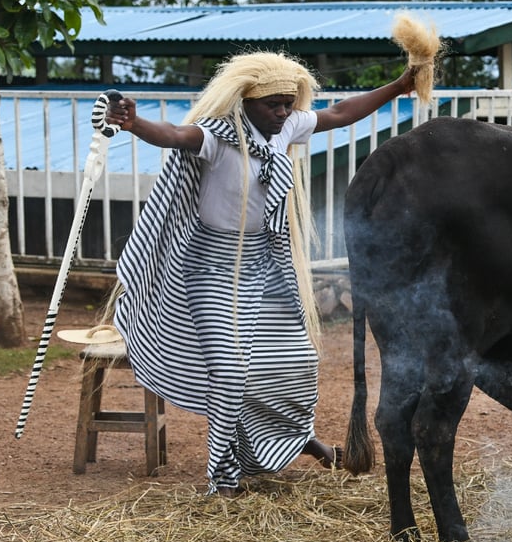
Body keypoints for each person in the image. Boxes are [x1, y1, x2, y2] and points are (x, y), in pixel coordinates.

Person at [104, 52, 417, 497]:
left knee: (295, 360)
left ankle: (298, 441)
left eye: (288, 104)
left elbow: (341, 112)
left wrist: (400, 84)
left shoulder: (286, 127)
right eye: (273, 104)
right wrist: (135, 124)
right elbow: (173, 134)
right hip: (210, 269)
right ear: (246, 101)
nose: (284, 113)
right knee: (230, 372)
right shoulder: (218, 135)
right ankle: (222, 479)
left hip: (264, 264)